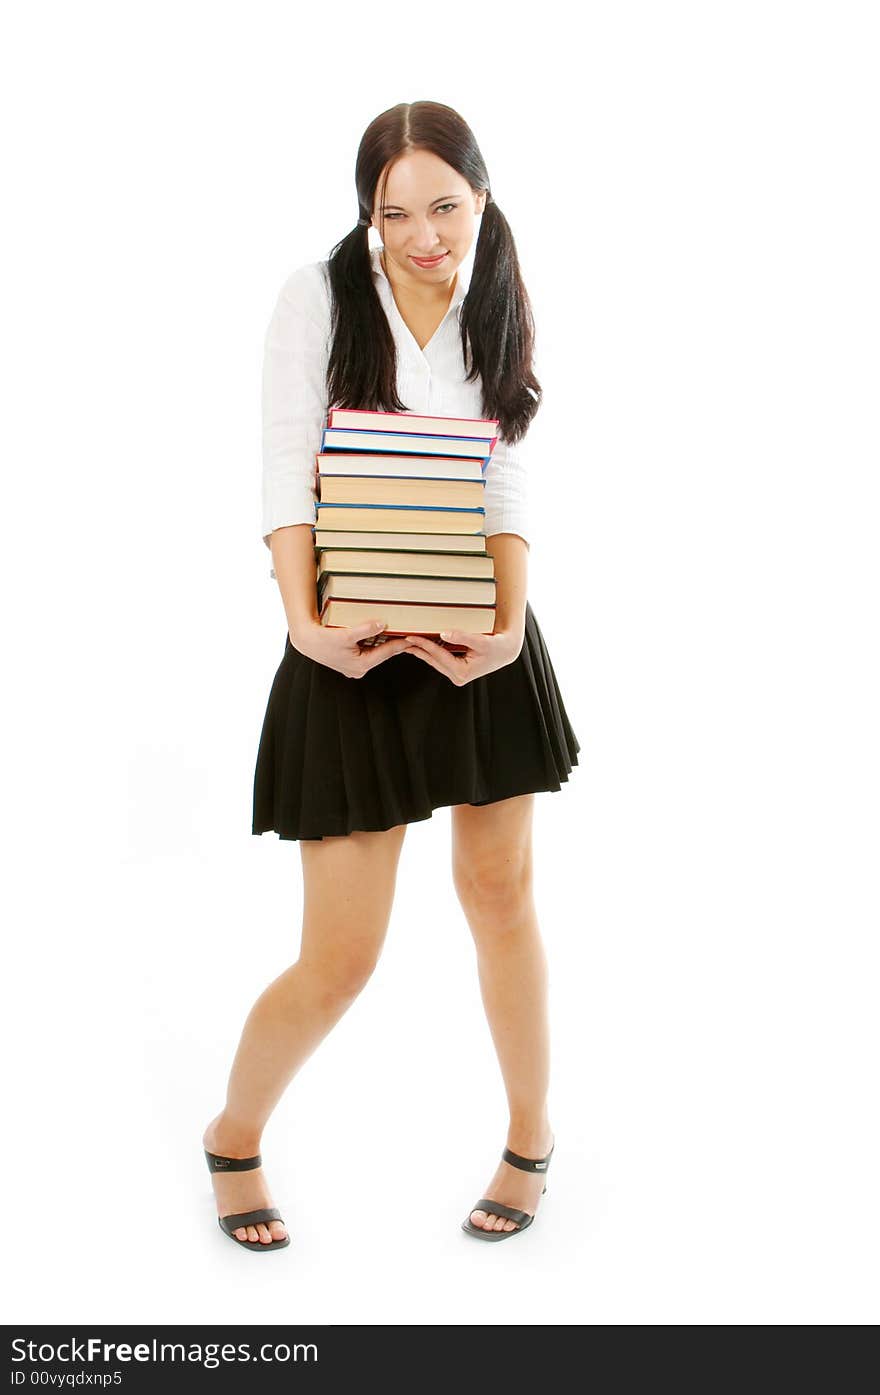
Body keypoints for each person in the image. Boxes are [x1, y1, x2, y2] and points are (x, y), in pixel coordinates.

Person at [202, 101, 580, 1251]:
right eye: (396, 212)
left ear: (481, 195)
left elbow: (503, 472)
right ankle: (231, 1135)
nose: (425, 236)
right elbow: (284, 462)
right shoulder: (318, 299)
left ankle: (530, 1138)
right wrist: (302, 622)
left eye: (447, 208)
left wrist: (510, 625)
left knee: (502, 899)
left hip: (477, 637)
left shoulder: (498, 296)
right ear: (367, 212)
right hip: (347, 645)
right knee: (339, 959)